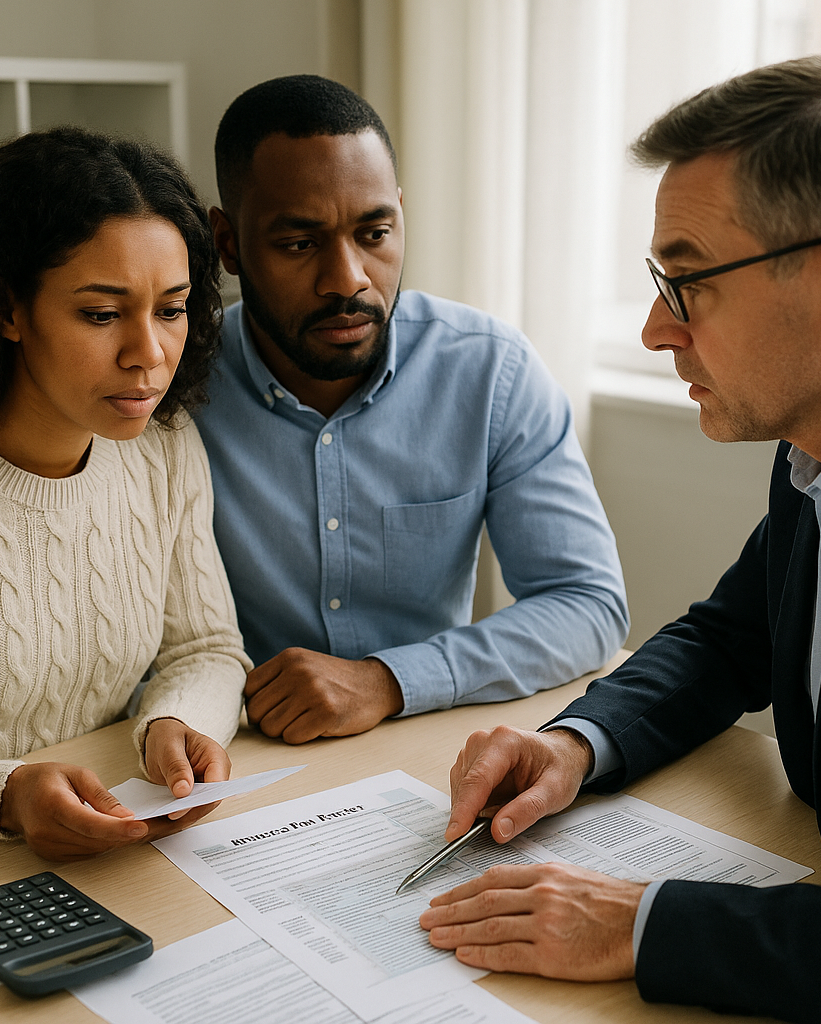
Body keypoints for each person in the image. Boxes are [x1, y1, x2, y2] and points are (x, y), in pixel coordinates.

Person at [419, 55, 821, 1022]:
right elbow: (731, 637)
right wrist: (579, 744)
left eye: (690, 281)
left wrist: (640, 926)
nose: (660, 330)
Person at [197, 75, 629, 744]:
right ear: (227, 243)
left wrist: (385, 680)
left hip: (425, 745)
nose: (348, 279)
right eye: (299, 243)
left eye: (375, 232)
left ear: (401, 213)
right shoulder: (174, 392)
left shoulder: (490, 370)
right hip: (231, 756)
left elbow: (588, 605)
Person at [0, 126, 252, 861]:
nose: (149, 354)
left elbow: (206, 648)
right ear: (7, 309)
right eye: (102, 315)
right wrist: (1, 795)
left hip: (105, 843)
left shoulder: (164, 448)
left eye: (170, 309)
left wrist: (176, 724)